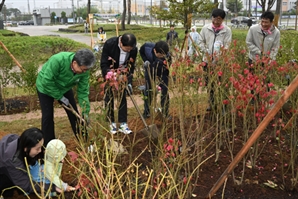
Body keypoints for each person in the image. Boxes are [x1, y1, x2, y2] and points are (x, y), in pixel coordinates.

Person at [36, 48, 96, 147]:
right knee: (48, 116)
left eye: (86, 70)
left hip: (64, 88)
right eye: (83, 69)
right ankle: (50, 146)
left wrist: (85, 112)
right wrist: (60, 97)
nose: (84, 72)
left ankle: (84, 142)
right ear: (75, 63)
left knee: (74, 114)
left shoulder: (84, 71)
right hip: (45, 87)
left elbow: (83, 92)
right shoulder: (58, 60)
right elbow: (47, 81)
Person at [0, 128, 57, 197]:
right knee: (8, 189)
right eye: (37, 149)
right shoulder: (13, 161)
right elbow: (26, 185)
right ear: (26, 148)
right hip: (3, 172)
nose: (40, 151)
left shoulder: (23, 143)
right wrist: (53, 187)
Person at [100, 33, 138, 134]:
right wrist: (109, 74)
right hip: (110, 74)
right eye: (127, 49)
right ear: (121, 43)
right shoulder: (110, 44)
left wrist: (129, 81)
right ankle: (111, 122)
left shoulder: (133, 49)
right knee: (109, 96)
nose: (129, 51)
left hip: (123, 74)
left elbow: (131, 65)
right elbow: (104, 62)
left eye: (131, 49)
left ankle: (123, 123)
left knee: (122, 97)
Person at [198, 8, 232, 111]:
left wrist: (217, 58)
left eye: (219, 19)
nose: (216, 21)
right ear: (211, 17)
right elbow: (200, 42)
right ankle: (211, 103)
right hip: (207, 61)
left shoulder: (227, 30)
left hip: (220, 63)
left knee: (222, 84)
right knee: (210, 84)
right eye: (214, 18)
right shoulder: (205, 28)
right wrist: (206, 53)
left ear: (222, 20)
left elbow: (227, 45)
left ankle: (224, 105)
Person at [139, 41, 171, 119]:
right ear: (154, 51)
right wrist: (145, 60)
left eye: (163, 56)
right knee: (148, 90)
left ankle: (165, 112)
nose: (161, 57)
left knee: (165, 90)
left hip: (162, 71)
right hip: (150, 68)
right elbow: (141, 51)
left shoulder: (168, 56)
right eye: (159, 55)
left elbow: (167, 70)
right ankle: (147, 112)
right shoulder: (147, 48)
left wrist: (161, 82)